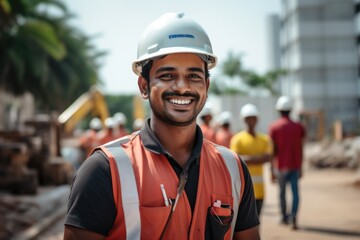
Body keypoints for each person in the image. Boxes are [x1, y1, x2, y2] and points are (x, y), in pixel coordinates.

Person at [64, 12, 260, 240]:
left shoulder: (233, 169)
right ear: (144, 86)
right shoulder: (104, 171)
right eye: (167, 75)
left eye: (194, 76)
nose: (182, 87)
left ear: (206, 85)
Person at [268, 96, 305, 230]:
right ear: (290, 110)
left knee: (282, 192)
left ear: (279, 110)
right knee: (295, 193)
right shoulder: (298, 126)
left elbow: (273, 149)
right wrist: (301, 166)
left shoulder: (274, 127)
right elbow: (301, 147)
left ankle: (284, 217)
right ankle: (293, 216)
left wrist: (271, 169)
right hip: (295, 165)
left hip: (280, 166)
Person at [230, 104, 272, 217]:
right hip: (242, 190)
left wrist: (247, 158)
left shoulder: (264, 139)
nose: (251, 121)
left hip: (259, 190)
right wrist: (258, 158)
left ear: (257, 119)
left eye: (253, 118)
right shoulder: (237, 139)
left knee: (257, 222)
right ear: (243, 120)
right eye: (248, 118)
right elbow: (236, 159)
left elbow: (268, 158)